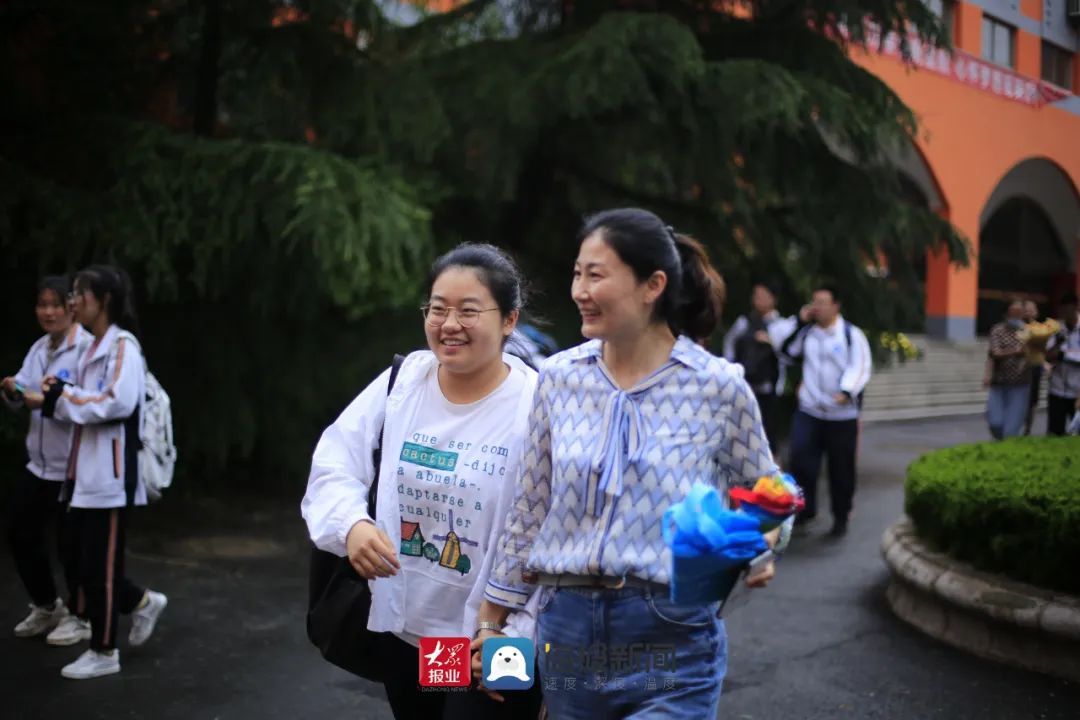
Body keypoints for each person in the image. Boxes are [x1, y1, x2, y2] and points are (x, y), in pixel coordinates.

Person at [474, 208, 787, 720]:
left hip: (672, 632)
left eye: (595, 274)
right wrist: (491, 626)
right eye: (577, 273)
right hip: (567, 630)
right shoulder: (558, 379)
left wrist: (760, 543)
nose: (579, 289)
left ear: (653, 285)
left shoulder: (717, 386)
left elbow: (771, 493)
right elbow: (528, 512)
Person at [301, 244, 543, 720]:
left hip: (495, 637)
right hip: (411, 635)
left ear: (509, 320)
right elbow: (335, 463)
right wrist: (352, 525)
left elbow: (555, 531)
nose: (449, 324)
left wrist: (518, 638)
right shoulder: (404, 382)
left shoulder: (537, 404)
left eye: (468, 311)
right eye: (437, 308)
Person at [40, 265, 168, 680]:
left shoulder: (123, 347)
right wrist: (60, 397)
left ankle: (104, 649)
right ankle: (144, 604)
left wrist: (65, 397)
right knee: (84, 562)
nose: (73, 301)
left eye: (80, 294)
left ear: (104, 300)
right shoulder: (94, 347)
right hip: (85, 476)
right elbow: (76, 401)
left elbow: (117, 403)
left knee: (100, 568)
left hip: (112, 480)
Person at [2, 276, 90, 643]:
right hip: (39, 464)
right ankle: (46, 605)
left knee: (71, 547)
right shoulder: (40, 348)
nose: (48, 312)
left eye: (56, 304)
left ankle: (82, 616)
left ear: (72, 306)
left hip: (74, 466)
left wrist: (45, 401)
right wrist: (13, 391)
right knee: (19, 531)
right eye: (42, 304)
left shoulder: (87, 348)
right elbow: (26, 389)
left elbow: (91, 406)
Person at [779, 285, 872, 537]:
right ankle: (806, 510)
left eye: (823, 302)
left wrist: (846, 390)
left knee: (841, 469)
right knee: (800, 459)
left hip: (842, 416)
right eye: (814, 301)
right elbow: (786, 352)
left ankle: (841, 516)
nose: (817, 306)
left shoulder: (851, 335)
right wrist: (799, 322)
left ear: (835, 306)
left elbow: (860, 366)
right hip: (809, 410)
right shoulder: (807, 332)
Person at [723, 281, 796, 449]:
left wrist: (771, 343)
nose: (759, 300)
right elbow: (729, 346)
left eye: (764, 296)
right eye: (756, 295)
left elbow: (788, 355)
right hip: (745, 386)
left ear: (773, 299)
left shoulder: (782, 325)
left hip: (769, 389)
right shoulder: (743, 322)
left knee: (769, 438)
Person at [985, 300, 1032, 440]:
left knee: (1012, 428)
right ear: (1006, 313)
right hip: (998, 383)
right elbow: (995, 353)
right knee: (995, 422)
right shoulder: (997, 330)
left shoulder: (1030, 331)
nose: (1016, 316)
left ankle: (1005, 450)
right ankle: (1001, 442)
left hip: (1020, 384)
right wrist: (1016, 352)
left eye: (1019, 313)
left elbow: (1037, 354)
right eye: (1013, 312)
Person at [1046, 292, 1080, 436]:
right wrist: (1059, 343)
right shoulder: (1056, 330)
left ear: (1076, 308)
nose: (1066, 314)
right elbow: (1048, 356)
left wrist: (1065, 355)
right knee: (1055, 433)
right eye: (1063, 311)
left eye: (1069, 310)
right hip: (1057, 390)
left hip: (1078, 392)